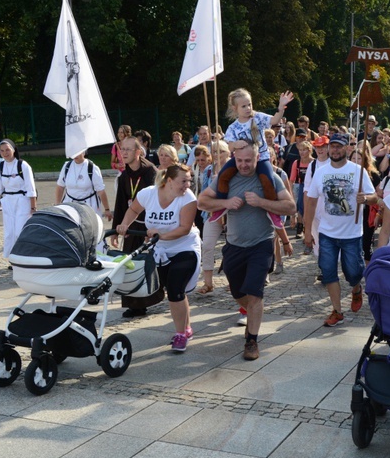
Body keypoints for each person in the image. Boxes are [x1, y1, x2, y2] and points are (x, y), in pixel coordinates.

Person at [198, 143, 296, 360]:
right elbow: (202, 201)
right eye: (240, 160)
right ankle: (253, 313)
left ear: (256, 159)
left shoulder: (269, 178)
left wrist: (262, 202)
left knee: (255, 293)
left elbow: (290, 207)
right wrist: (225, 202)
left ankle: (251, 340)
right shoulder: (227, 177)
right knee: (237, 292)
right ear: (234, 158)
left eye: (248, 161)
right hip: (234, 246)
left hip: (261, 244)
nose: (244, 165)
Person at [117, 164, 201, 353]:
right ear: (169, 181)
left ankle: (180, 334)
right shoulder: (149, 193)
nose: (187, 185)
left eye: (189, 180)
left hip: (184, 246)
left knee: (175, 288)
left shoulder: (188, 198)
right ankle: (186, 328)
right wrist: (123, 224)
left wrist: (158, 235)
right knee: (175, 290)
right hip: (161, 249)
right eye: (183, 181)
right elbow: (133, 210)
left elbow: (184, 229)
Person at [305, 133, 376, 327]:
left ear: (347, 148)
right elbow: (310, 203)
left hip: (351, 234)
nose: (335, 150)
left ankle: (355, 288)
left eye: (339, 146)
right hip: (327, 233)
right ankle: (337, 311)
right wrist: (307, 232)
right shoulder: (320, 172)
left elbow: (374, 197)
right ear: (329, 148)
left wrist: (366, 199)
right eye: (333, 146)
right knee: (327, 272)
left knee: (352, 272)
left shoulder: (358, 171)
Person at [208, 88, 294, 229]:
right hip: (240, 160)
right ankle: (220, 206)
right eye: (244, 106)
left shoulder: (258, 118)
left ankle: (273, 212)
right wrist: (235, 144)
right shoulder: (233, 127)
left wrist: (281, 108)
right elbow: (228, 147)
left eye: (249, 104)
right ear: (235, 109)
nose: (248, 108)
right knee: (223, 176)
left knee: (267, 179)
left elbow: (274, 120)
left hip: (261, 158)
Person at [109, 135, 160, 317]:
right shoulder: (124, 176)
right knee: (130, 264)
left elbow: (158, 200)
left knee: (154, 264)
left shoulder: (151, 173)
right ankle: (136, 305)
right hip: (132, 226)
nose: (123, 153)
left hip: (152, 226)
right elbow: (121, 203)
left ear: (138, 152)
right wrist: (117, 229)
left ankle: (156, 295)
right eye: (122, 149)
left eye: (128, 149)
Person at [0, 140, 37, 262]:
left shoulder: (23, 165)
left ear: (14, 150)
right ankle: (13, 259)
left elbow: (31, 188)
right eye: (2, 150)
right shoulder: (0, 166)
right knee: (9, 233)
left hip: (22, 201)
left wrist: (33, 208)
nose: (5, 153)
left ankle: (24, 258)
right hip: (8, 202)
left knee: (19, 231)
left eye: (7, 150)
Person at [195, 140, 230, 297]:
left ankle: (232, 281)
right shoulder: (209, 170)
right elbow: (204, 193)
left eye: (220, 151)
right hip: (213, 214)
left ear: (228, 152)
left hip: (231, 214)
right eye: (214, 151)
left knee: (231, 249)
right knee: (207, 246)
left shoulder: (233, 168)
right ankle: (208, 283)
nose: (217, 155)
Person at [55, 152, 113, 222]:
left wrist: (107, 209)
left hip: (89, 207)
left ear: (84, 152)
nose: (75, 155)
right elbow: (60, 186)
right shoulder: (67, 166)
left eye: (78, 152)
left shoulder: (92, 168)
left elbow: (101, 191)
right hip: (70, 205)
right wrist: (57, 204)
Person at [349, 143, 381, 263]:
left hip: (367, 212)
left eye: (359, 158)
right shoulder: (347, 173)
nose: (356, 161)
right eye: (353, 158)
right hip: (351, 213)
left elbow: (378, 194)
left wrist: (367, 198)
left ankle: (368, 271)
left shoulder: (372, 175)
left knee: (366, 245)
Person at [302, 135, 331, 256]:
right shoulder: (312, 166)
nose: (320, 149)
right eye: (318, 147)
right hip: (314, 208)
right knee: (317, 238)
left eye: (323, 146)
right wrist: (305, 213)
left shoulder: (333, 164)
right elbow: (306, 190)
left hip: (330, 208)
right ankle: (321, 266)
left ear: (328, 147)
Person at [289, 140, 313, 238]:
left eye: (304, 150)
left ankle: (309, 228)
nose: (302, 152)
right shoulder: (297, 162)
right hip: (300, 185)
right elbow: (292, 179)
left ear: (309, 151)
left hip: (311, 186)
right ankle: (299, 227)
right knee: (299, 205)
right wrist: (290, 193)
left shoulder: (314, 162)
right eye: (300, 150)